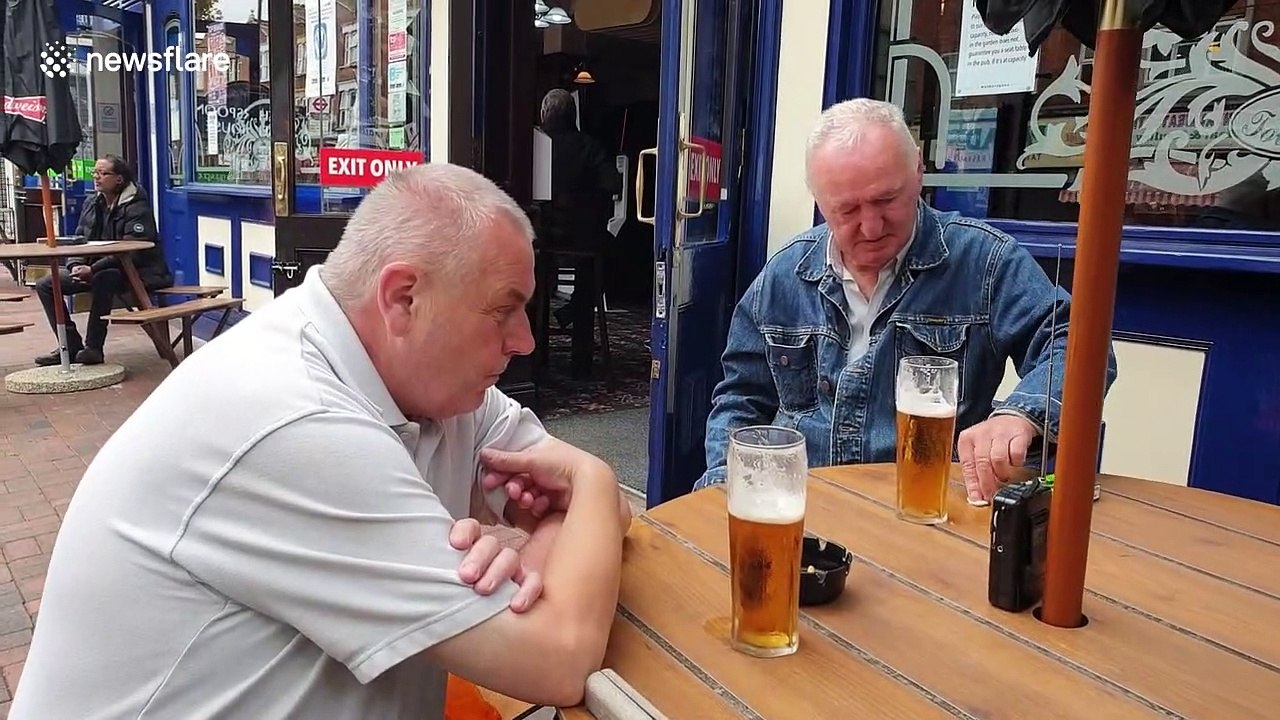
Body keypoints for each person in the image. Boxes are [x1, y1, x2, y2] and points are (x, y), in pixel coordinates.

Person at [10, 164, 630, 719]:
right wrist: (596, 486)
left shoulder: (435, 384)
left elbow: (581, 509)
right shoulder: (293, 418)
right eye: (504, 310)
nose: (523, 340)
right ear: (403, 298)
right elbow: (558, 659)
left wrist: (531, 537)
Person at [695, 98, 1117, 502]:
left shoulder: (984, 262)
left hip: (927, 516)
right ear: (818, 201)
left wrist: (1020, 414)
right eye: (847, 211)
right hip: (803, 512)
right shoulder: (784, 275)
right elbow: (740, 401)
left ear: (918, 169)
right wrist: (722, 488)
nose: (872, 226)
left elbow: (1081, 347)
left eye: (886, 200)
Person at [33, 154, 173, 366]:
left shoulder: (137, 206)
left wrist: (93, 269)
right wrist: (75, 264)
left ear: (119, 179)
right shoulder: (92, 203)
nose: (96, 177)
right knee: (46, 284)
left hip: (141, 273)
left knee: (105, 277)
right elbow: (79, 239)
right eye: (95, 173)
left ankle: (93, 348)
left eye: (103, 173)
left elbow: (131, 252)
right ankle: (70, 345)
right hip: (97, 269)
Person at [538, 88, 623, 377]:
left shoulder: (535, 147)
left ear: (544, 115)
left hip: (544, 237)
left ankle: (537, 356)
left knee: (536, 278)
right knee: (601, 261)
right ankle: (581, 357)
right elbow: (614, 184)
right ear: (573, 115)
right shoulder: (589, 146)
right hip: (583, 238)